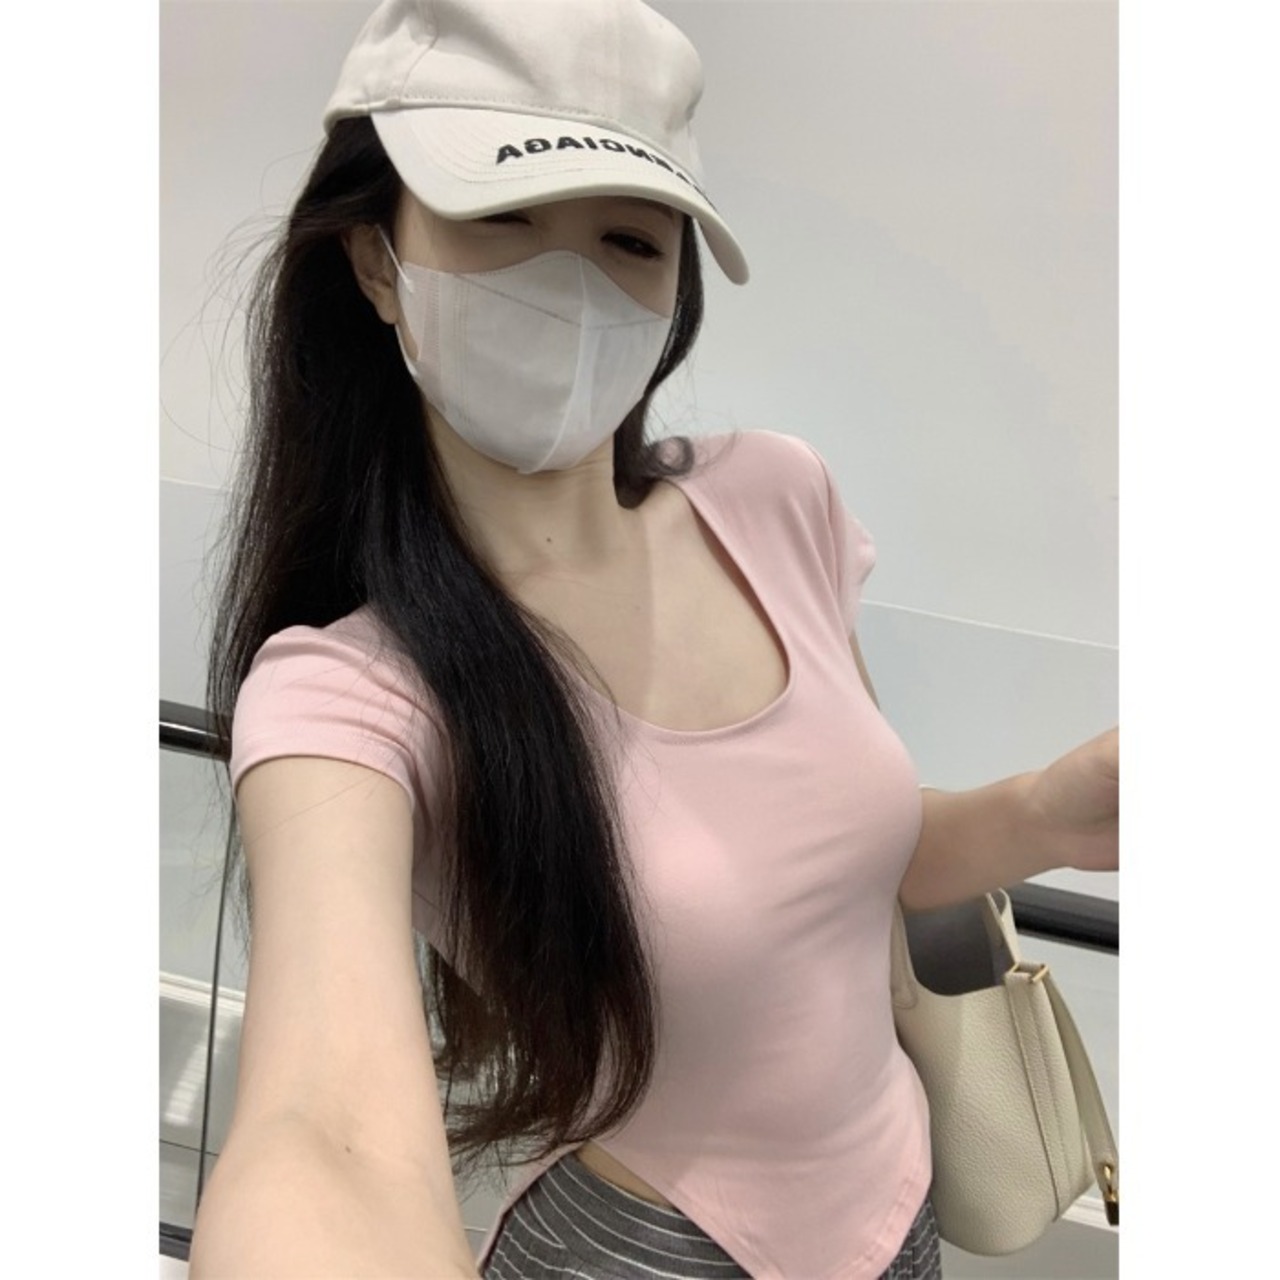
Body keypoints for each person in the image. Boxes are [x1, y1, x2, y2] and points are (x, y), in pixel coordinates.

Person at [187, 2, 1119, 1277]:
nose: (567, 285)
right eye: (502, 216)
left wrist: (1046, 810)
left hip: (903, 1199)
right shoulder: (347, 695)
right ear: (374, 259)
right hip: (643, 1246)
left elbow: (839, 854)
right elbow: (327, 1132)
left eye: (627, 239)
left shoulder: (774, 500)